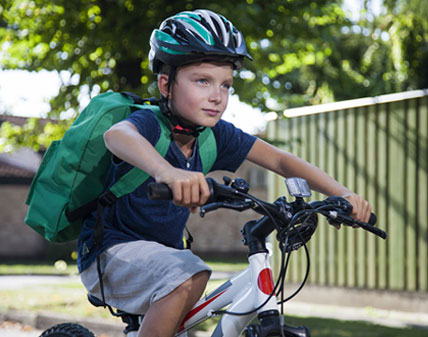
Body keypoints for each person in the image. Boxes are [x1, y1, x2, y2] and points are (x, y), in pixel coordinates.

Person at [77, 9, 372, 337]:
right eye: (202, 81)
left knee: (184, 281)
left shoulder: (215, 136)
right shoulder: (149, 124)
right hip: (110, 254)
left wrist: (342, 194)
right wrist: (168, 172)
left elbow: (282, 161)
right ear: (166, 84)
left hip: (163, 264)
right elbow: (117, 136)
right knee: (191, 274)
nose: (217, 96)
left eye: (226, 85)